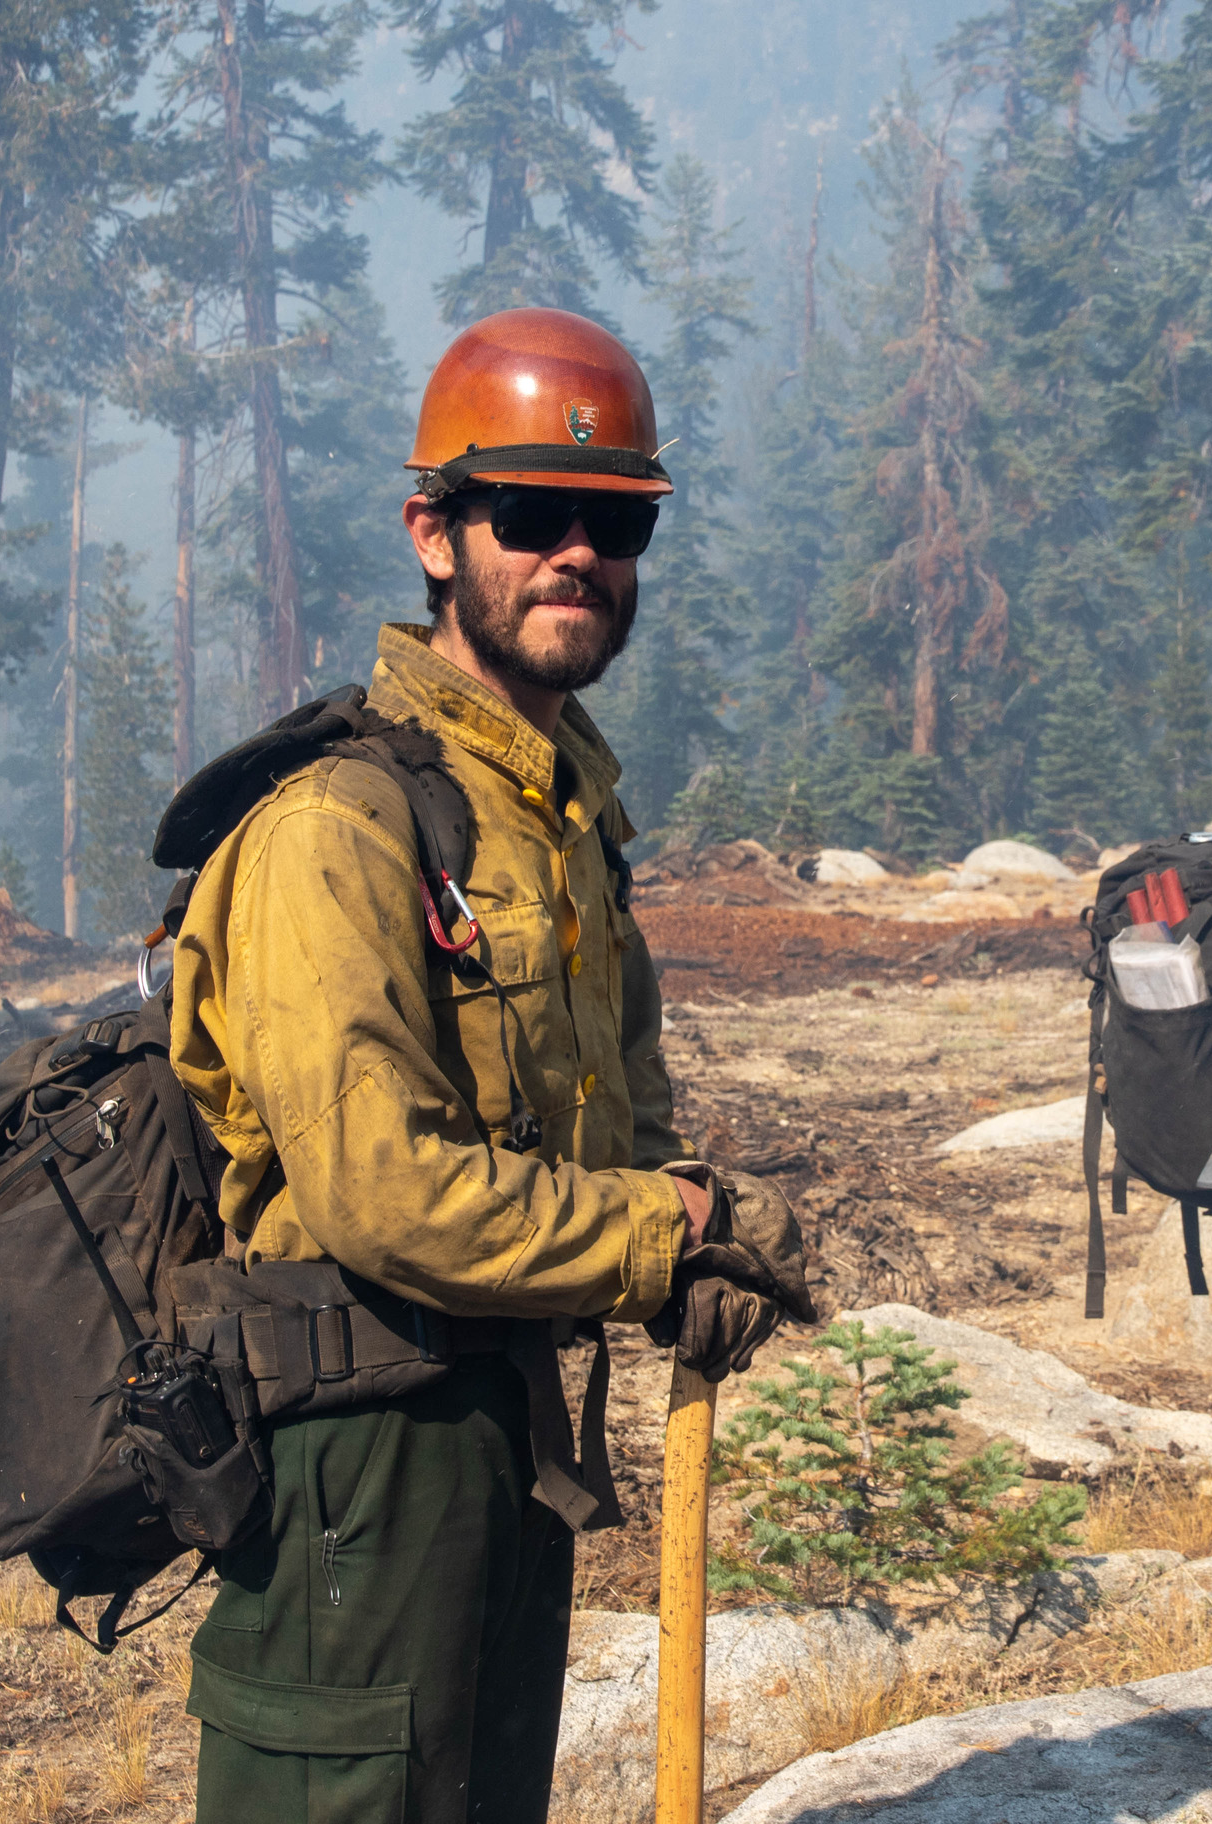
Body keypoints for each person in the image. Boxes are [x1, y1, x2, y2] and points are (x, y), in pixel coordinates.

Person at [167, 307, 813, 1823]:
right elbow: (384, 1195)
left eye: (615, 522)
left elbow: (621, 1124)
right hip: (358, 1461)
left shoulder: (559, 822)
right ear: (436, 534)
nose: (577, 554)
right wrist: (670, 1241)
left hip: (508, 1421)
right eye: (531, 515)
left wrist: (675, 1225)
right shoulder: (339, 825)